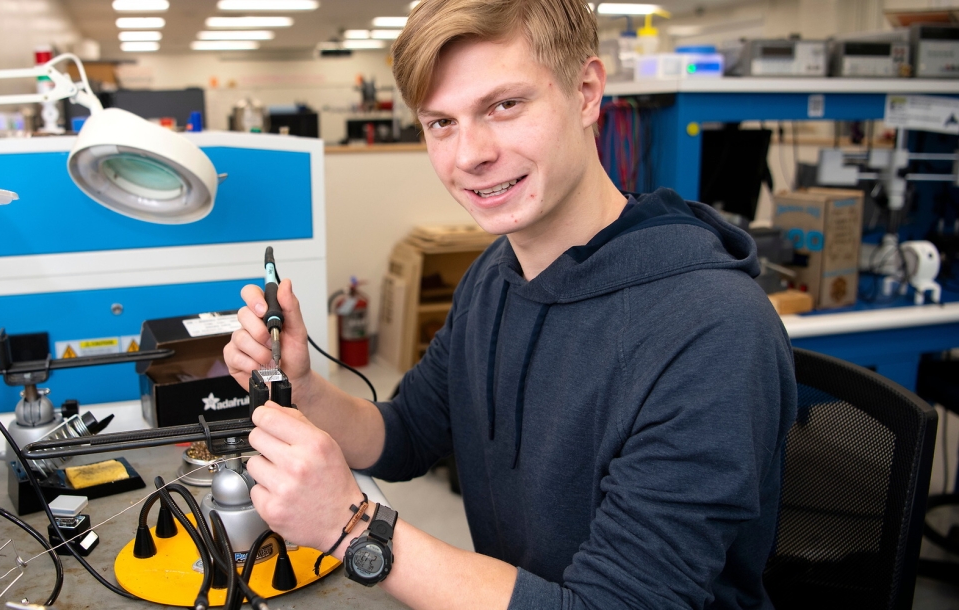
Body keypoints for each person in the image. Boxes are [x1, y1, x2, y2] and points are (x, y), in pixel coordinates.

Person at [223, 0, 797, 607]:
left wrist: (353, 527)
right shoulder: (496, 276)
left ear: (585, 92)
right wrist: (304, 387)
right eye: (440, 122)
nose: (470, 154)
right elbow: (406, 434)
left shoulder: (712, 330)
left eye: (503, 105)